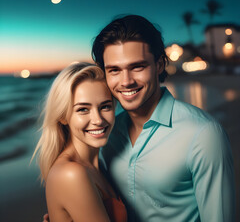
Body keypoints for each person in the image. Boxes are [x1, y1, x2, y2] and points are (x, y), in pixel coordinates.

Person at [43, 15, 235, 222]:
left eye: (137, 67)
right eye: (114, 70)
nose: (126, 81)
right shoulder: (106, 133)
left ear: (160, 64)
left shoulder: (202, 135)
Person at [33, 62, 127, 222]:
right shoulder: (71, 174)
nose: (98, 120)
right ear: (63, 116)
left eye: (105, 106)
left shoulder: (98, 166)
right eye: (83, 109)